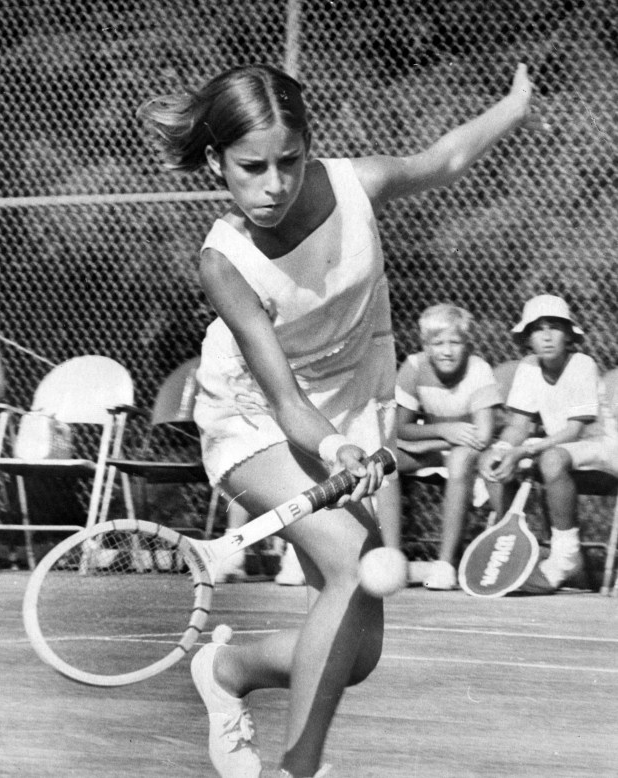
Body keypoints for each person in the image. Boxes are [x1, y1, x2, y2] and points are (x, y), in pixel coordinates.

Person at [138, 62, 537, 778]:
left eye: (288, 163)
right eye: (250, 167)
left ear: (309, 147)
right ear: (214, 162)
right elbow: (286, 402)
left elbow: (443, 158)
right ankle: (299, 770)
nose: (273, 185)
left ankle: (226, 670)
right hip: (256, 416)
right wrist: (336, 447)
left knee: (356, 657)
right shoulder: (223, 263)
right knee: (355, 564)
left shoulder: (353, 185)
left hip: (355, 408)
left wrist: (513, 106)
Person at [478, 294, 618, 594]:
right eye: (538, 328)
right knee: (493, 459)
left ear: (568, 334)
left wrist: (525, 450)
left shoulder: (582, 363)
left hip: (605, 448)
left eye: (554, 327)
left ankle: (566, 557)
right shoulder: (528, 367)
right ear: (528, 337)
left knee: (551, 458)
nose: (546, 335)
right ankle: (516, 551)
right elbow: (518, 426)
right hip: (558, 451)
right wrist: (502, 451)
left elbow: (575, 430)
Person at [395, 304, 502, 590]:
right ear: (426, 346)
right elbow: (399, 428)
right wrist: (444, 431)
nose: (446, 351)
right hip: (437, 445)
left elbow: (482, 435)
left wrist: (452, 438)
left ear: (467, 344)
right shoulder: (414, 366)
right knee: (383, 460)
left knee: (458, 461)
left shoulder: (479, 369)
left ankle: (445, 564)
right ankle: (390, 556)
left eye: (455, 342)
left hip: (470, 453)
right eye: (437, 343)